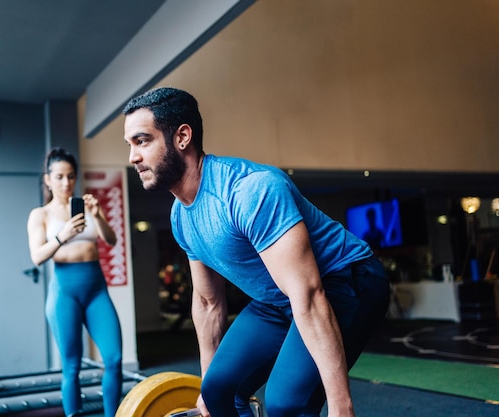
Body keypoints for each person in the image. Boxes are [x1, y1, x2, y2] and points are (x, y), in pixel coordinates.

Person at [122, 88, 391, 417]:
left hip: (347, 280)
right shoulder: (181, 216)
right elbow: (208, 303)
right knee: (219, 392)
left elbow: (308, 293)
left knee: (286, 403)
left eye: (142, 141)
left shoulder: (250, 190)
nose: (133, 156)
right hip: (278, 298)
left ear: (182, 137)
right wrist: (209, 387)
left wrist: (340, 405)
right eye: (130, 145)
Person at [27, 147, 123, 417]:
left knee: (114, 359)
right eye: (59, 177)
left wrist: (98, 215)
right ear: (48, 179)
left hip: (96, 289)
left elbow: (111, 240)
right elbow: (37, 256)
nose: (66, 183)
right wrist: (62, 236)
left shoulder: (87, 205)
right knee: (71, 366)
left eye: (70, 177)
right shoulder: (41, 215)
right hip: (64, 292)